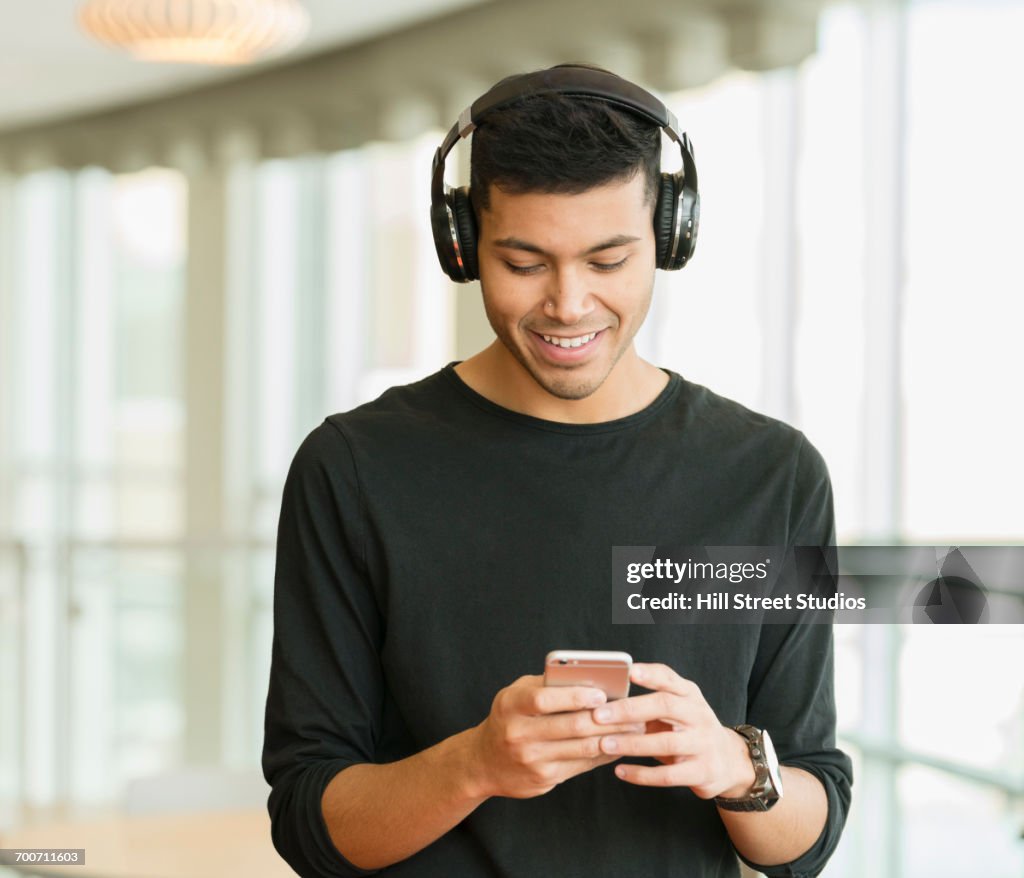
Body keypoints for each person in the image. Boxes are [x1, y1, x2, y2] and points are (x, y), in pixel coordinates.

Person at [262, 64, 853, 878]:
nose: (568, 305)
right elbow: (309, 823)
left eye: (609, 261)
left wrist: (733, 767)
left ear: (670, 238)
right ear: (463, 245)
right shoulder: (354, 468)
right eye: (525, 261)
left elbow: (809, 826)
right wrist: (475, 765)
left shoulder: (772, 476)